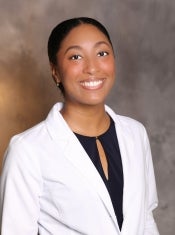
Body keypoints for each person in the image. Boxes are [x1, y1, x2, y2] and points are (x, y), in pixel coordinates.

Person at [0, 17, 159, 235]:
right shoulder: (27, 150)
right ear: (55, 71)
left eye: (102, 53)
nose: (92, 67)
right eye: (76, 57)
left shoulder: (135, 133)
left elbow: (145, 219)